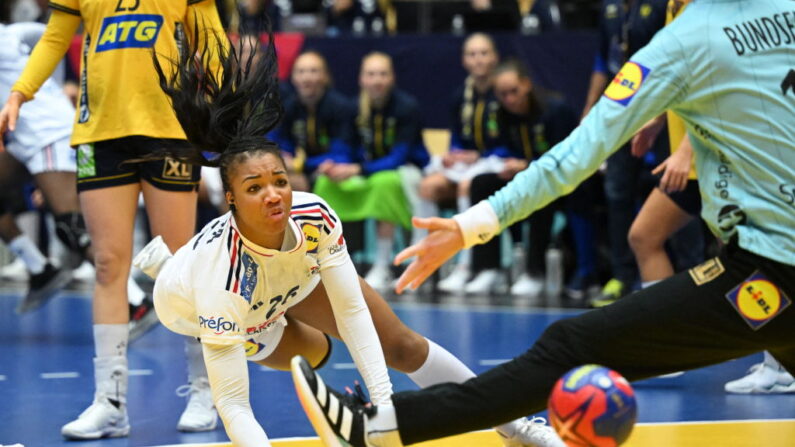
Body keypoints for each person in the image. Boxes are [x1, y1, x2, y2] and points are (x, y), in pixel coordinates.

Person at [290, 1, 795, 446]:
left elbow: (572, 158)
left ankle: (377, 426)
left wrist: (473, 224)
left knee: (569, 347)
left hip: (772, 268)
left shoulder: (685, 42)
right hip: (771, 260)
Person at [136, 26, 563, 447]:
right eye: (253, 188)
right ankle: (166, 267)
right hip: (218, 302)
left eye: (280, 181)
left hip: (290, 275)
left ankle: (515, 427)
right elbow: (232, 405)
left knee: (400, 343)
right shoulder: (220, 280)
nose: (273, 195)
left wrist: (385, 413)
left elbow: (353, 311)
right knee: (313, 353)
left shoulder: (313, 215)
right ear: (229, 198)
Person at [0, 0, 226, 438]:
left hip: (170, 129)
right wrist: (19, 94)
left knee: (178, 266)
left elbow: (212, 43)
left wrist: (226, 106)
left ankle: (205, 388)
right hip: (100, 133)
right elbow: (53, 37)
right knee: (107, 264)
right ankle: (111, 402)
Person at [0, 19, 156, 339]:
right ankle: (40, 269)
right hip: (25, 135)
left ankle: (138, 302)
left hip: (48, 134)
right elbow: (43, 35)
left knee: (72, 226)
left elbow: (52, 37)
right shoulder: (11, 32)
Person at [313, 52, 429, 291]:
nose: (377, 80)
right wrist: (336, 164)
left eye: (383, 74)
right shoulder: (353, 107)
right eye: (371, 74)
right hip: (365, 171)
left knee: (384, 183)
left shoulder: (406, 107)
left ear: (392, 78)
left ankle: (382, 264)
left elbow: (400, 157)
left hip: (405, 171)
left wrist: (357, 169)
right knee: (326, 184)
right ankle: (337, 260)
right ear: (361, 79)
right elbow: (344, 145)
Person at [464, 59, 580, 296]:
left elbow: (566, 156)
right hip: (524, 175)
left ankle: (534, 272)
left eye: (513, 92)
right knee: (481, 183)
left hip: (562, 181)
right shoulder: (501, 113)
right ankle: (489, 268)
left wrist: (527, 166)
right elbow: (499, 147)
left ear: (526, 85)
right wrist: (507, 164)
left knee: (538, 189)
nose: (509, 99)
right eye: (502, 94)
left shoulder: (556, 110)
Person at [582, 0, 669, 307]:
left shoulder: (661, 5)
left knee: (674, 189)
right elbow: (602, 61)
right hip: (622, 108)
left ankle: (688, 273)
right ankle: (621, 276)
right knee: (617, 192)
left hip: (662, 107)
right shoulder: (609, 8)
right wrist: (590, 110)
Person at [420, 33, 509, 293]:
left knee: (467, 186)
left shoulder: (504, 92)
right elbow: (458, 137)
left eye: (484, 53)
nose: (478, 59)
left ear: (495, 57)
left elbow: (511, 138)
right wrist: (454, 154)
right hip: (470, 163)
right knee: (429, 186)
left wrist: (479, 157)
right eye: (472, 54)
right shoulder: (461, 95)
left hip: (496, 162)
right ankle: (425, 260)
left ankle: (467, 265)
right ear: (464, 60)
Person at [269, 50, 358, 193]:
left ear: (325, 77)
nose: (307, 78)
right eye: (301, 72)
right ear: (293, 78)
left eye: (313, 71)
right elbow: (281, 146)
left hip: (332, 172)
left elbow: (343, 154)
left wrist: (300, 164)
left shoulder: (340, 107)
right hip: (301, 172)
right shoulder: (287, 108)